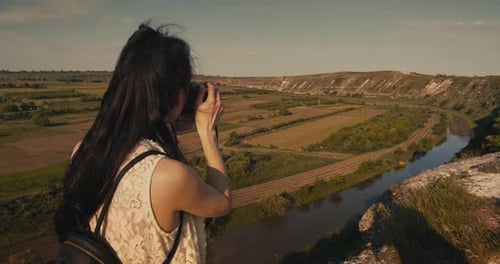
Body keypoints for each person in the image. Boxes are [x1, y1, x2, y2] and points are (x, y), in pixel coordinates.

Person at [54, 23, 231, 263]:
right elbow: (222, 202)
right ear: (178, 96)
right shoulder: (170, 177)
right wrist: (207, 131)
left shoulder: (84, 151)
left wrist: (171, 119)